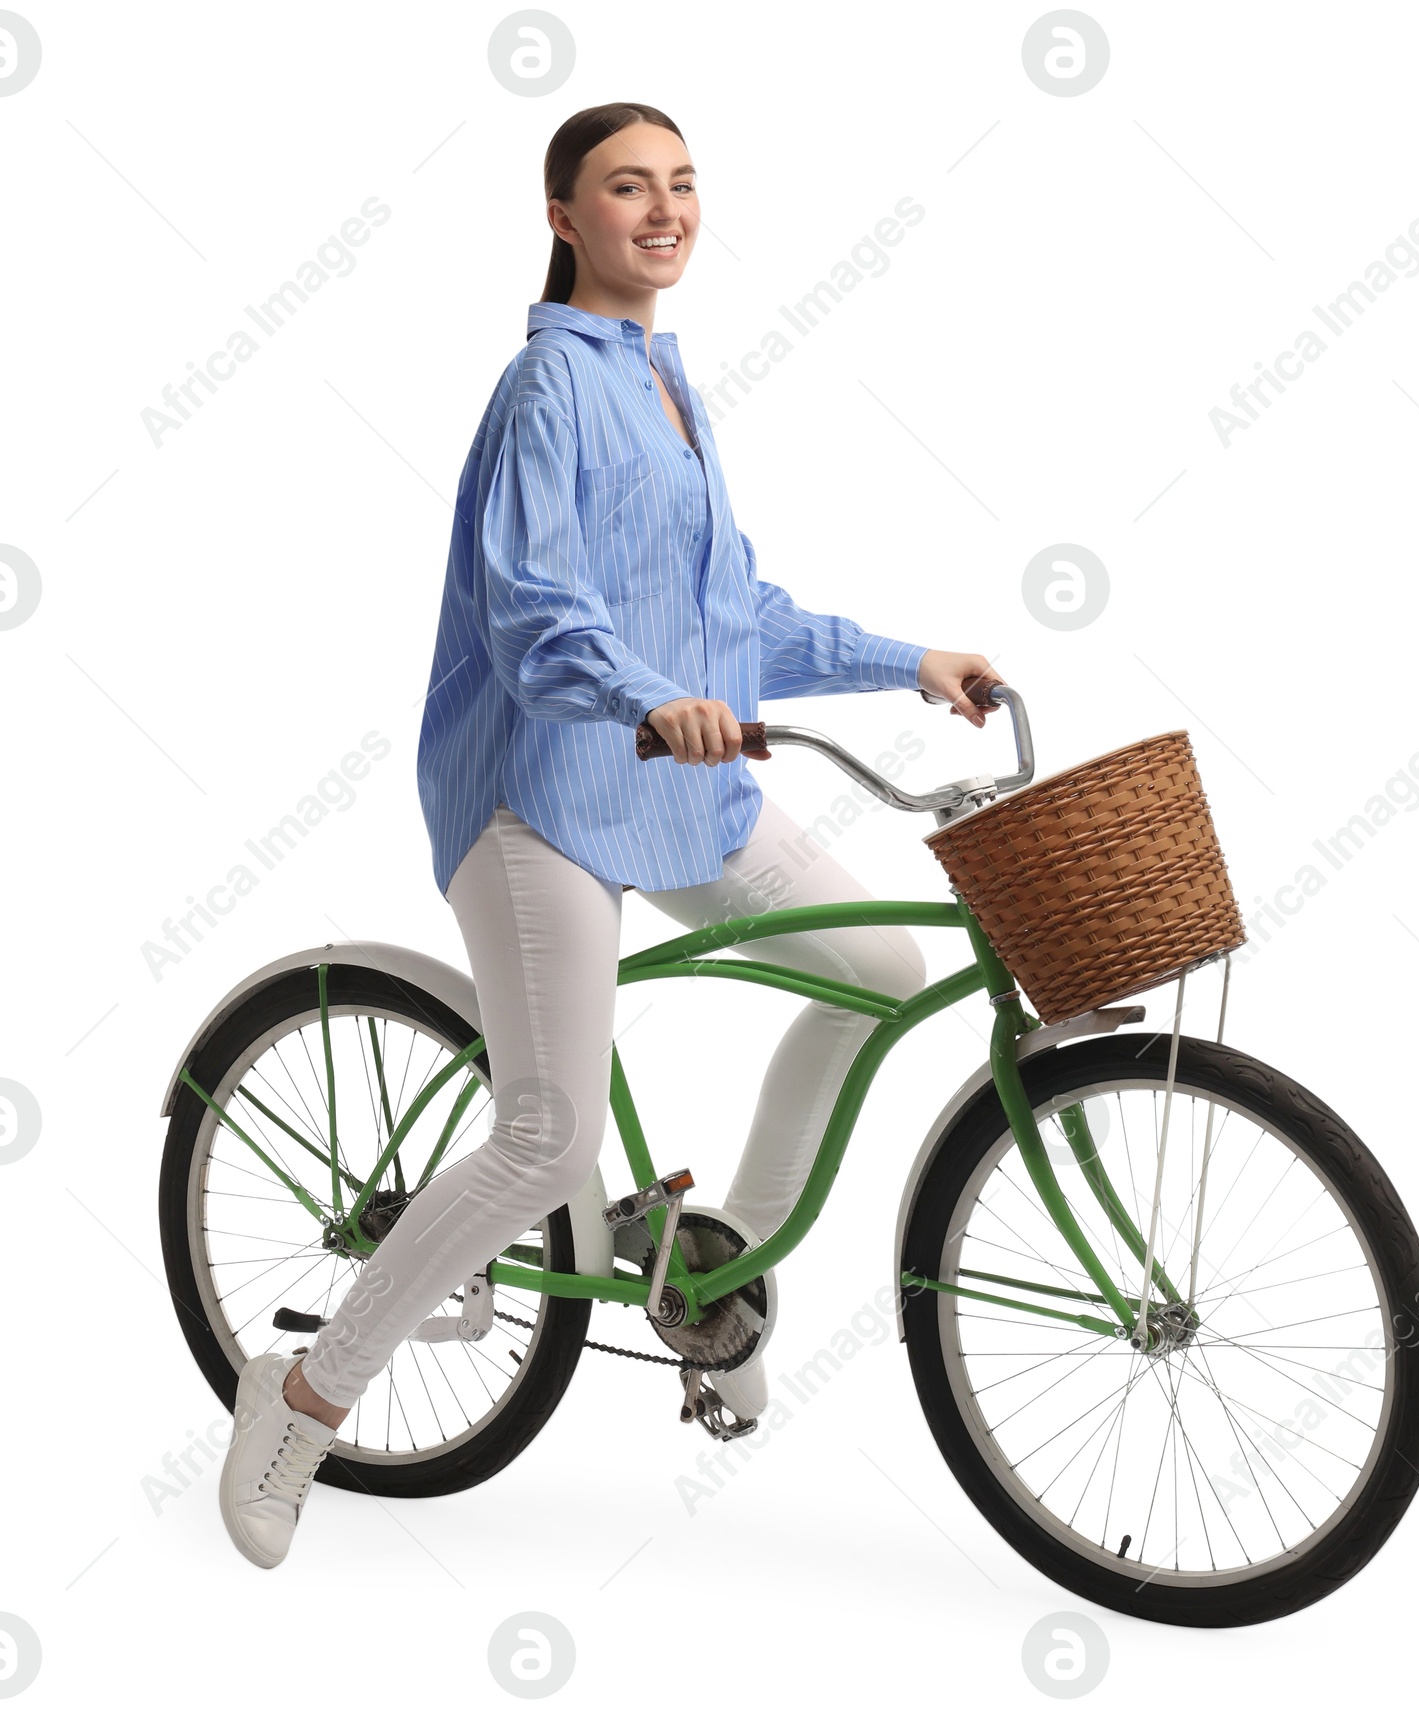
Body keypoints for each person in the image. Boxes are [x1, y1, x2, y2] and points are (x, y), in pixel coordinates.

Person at [218, 101, 999, 1569]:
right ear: (565, 218)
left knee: (882, 973)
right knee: (546, 1134)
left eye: (683, 185)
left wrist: (912, 660)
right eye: (627, 188)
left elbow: (741, 621)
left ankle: (709, 1266)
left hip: (675, 786)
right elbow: (535, 623)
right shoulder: (544, 389)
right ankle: (302, 1397)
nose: (664, 209)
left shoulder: (666, 383)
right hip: (542, 796)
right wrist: (652, 700)